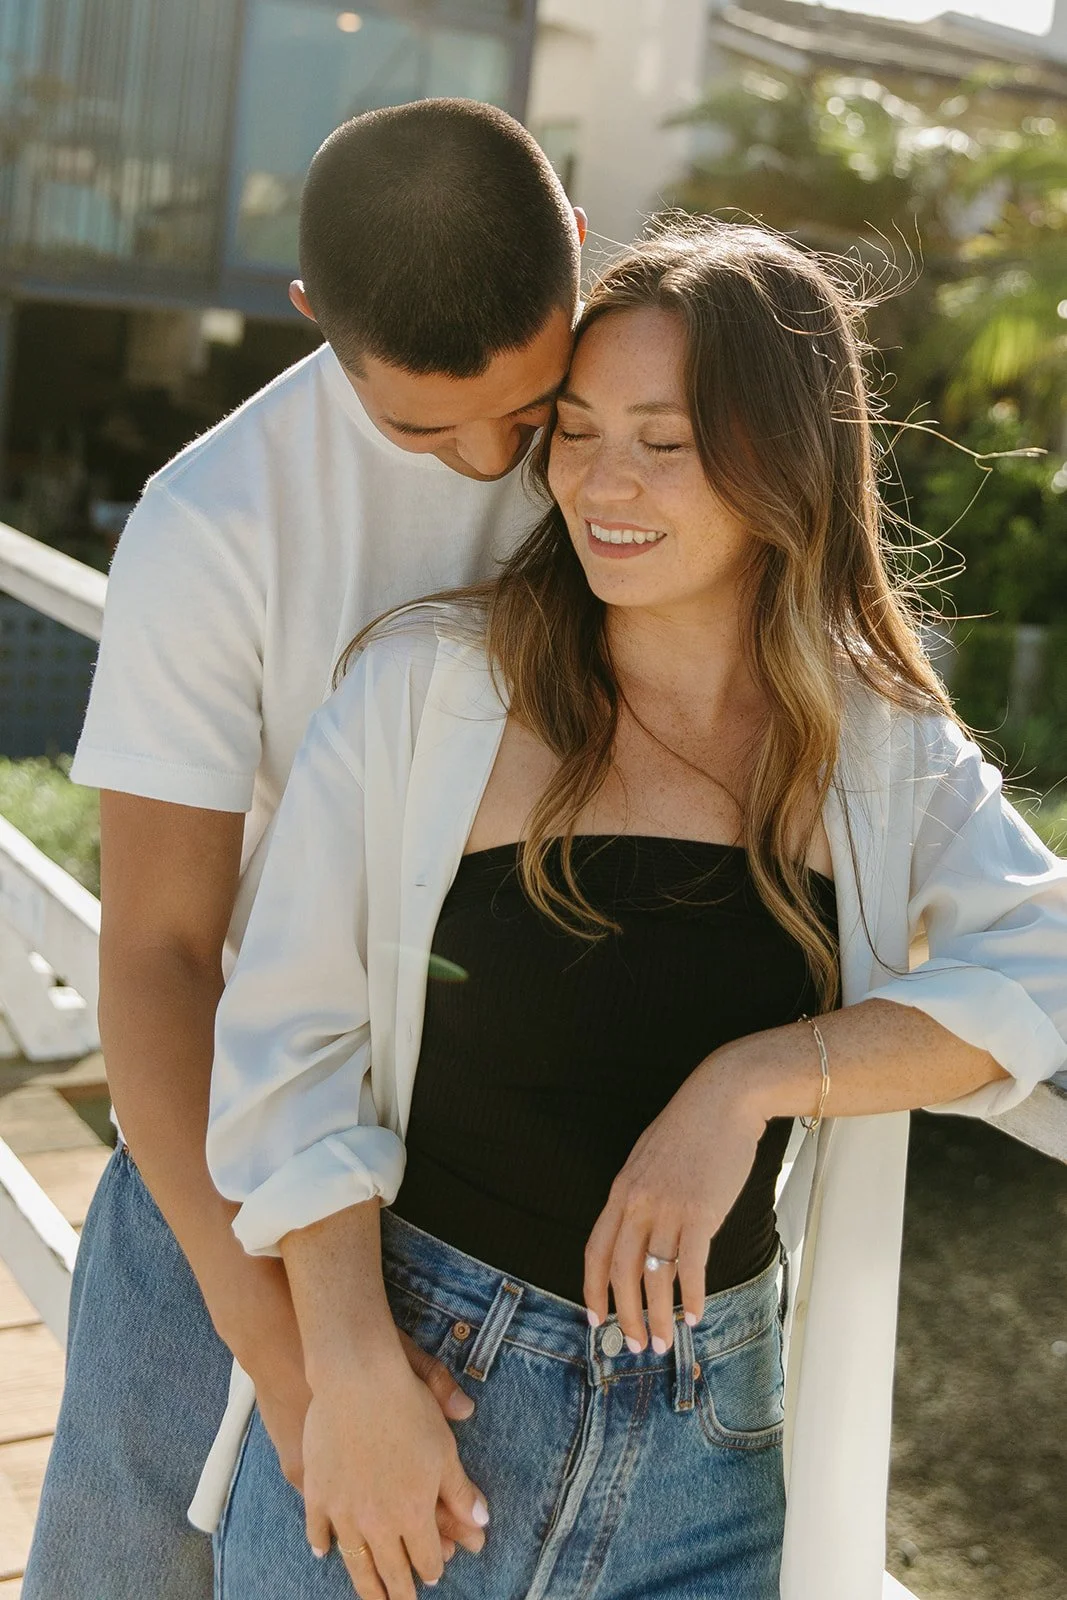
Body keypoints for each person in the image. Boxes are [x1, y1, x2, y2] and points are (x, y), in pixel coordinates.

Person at [203, 219, 1067, 1600]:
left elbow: (1049, 962)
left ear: (780, 460)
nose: (602, 482)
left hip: (710, 1456)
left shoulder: (873, 743)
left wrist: (749, 1083)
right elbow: (285, 1053)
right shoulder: (428, 693)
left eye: (661, 442)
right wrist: (348, 1372)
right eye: (579, 428)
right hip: (424, 1392)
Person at [23, 99, 585, 1600]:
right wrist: (291, 1366)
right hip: (228, 1166)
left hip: (504, 1192)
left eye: (527, 414)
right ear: (309, 319)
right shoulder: (217, 520)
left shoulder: (645, 436)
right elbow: (153, 954)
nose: (488, 462)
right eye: (423, 425)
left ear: (580, 258)